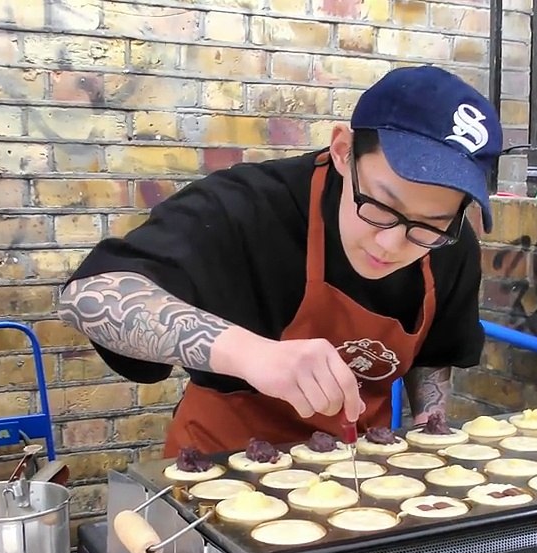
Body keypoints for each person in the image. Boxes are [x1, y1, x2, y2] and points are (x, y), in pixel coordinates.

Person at [57, 65, 504, 456]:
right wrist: (251, 354)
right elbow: (89, 296)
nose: (391, 243)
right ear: (344, 152)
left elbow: (435, 352)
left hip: (358, 475)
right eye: (381, 206)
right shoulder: (248, 207)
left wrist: (430, 428)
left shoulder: (447, 244)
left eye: (427, 225)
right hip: (222, 469)